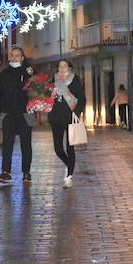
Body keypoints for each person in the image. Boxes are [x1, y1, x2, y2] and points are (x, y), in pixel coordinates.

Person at [0, 46, 33, 183]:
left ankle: (26, 172)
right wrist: (3, 106)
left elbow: (36, 90)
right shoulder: (4, 74)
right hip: (8, 113)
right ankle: (6, 172)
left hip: (27, 113)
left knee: (26, 143)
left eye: (17, 55)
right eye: (12, 55)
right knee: (7, 143)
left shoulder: (29, 73)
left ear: (22, 58)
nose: (14, 58)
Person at [48, 59, 86, 188]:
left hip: (70, 117)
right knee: (58, 149)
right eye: (60, 66)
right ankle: (69, 165)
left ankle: (69, 177)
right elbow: (47, 97)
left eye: (64, 66)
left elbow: (82, 99)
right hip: (56, 117)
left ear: (69, 68)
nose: (62, 68)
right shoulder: (53, 81)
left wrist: (77, 112)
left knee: (70, 148)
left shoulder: (75, 80)